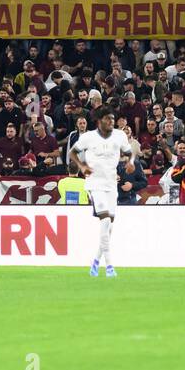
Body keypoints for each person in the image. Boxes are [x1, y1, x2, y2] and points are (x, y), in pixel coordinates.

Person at [71, 109, 133, 278]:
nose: (112, 122)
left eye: (113, 119)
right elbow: (72, 152)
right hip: (95, 184)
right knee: (105, 219)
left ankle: (96, 261)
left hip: (111, 184)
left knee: (109, 226)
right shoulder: (88, 137)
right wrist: (82, 166)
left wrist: (131, 162)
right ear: (99, 121)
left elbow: (129, 152)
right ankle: (110, 266)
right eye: (108, 119)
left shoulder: (120, 135)